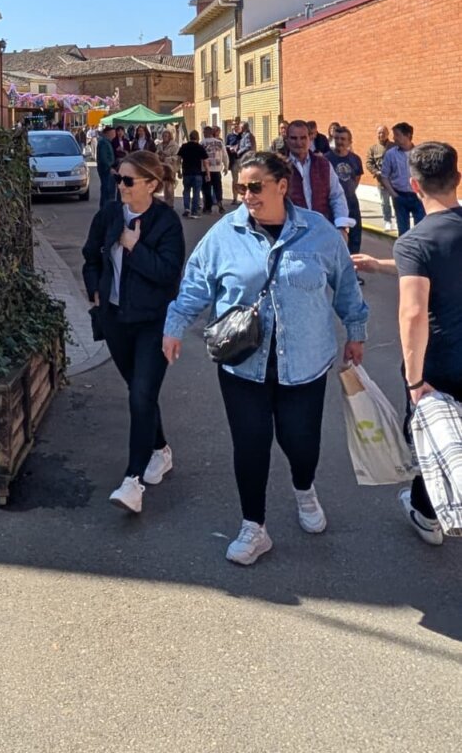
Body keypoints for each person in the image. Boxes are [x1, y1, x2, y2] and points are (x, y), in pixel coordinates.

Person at [163, 152, 368, 564]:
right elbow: (196, 283)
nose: (246, 196)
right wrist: (174, 324)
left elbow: (345, 283)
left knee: (301, 442)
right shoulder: (225, 234)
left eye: (255, 187)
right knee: (251, 444)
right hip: (243, 365)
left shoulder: (318, 232)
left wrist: (355, 331)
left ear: (281, 185)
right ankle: (253, 526)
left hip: (305, 365)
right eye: (240, 188)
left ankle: (304, 489)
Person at [352, 142, 462, 546]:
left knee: (431, 437)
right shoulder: (417, 247)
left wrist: (415, 381)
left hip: (441, 364)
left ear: (414, 185)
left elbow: (414, 313)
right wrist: (382, 265)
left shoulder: (416, 240)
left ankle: (428, 515)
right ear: (457, 179)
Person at [82, 151, 185, 514]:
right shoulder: (109, 214)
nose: (120, 186)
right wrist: (94, 287)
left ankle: (132, 481)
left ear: (152, 185)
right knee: (139, 392)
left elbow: (168, 273)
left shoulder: (166, 222)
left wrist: (133, 247)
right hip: (115, 320)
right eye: (118, 179)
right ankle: (160, 449)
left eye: (128, 181)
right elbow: (91, 254)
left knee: (141, 395)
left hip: (153, 323)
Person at [285, 119, 352, 237]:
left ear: (310, 138)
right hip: (290, 233)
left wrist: (341, 226)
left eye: (303, 138)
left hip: (321, 230)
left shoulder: (323, 164)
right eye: (294, 138)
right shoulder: (279, 166)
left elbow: (337, 196)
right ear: (287, 140)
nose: (299, 142)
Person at [381, 122, 426, 236]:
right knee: (403, 231)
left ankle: (419, 253)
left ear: (408, 135)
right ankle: (405, 253)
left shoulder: (420, 154)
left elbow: (427, 174)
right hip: (400, 195)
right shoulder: (390, 154)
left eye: (397, 135)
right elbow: (384, 176)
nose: (394, 138)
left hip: (418, 197)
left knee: (421, 229)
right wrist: (393, 194)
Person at [325, 127, 364, 255]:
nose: (339, 141)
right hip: (332, 204)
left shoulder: (355, 159)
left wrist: (349, 191)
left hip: (351, 201)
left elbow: (357, 178)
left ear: (349, 141)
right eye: (337, 138)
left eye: (343, 139)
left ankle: (353, 267)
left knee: (355, 236)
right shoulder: (326, 159)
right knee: (334, 236)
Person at [366, 124, 395, 233]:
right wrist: (376, 172)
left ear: (387, 134)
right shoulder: (373, 149)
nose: (381, 135)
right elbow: (369, 163)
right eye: (379, 133)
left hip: (394, 181)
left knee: (397, 201)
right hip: (382, 181)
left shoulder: (394, 147)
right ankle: (387, 221)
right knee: (385, 202)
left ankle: (398, 220)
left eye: (383, 132)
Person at [177, 129, 208, 218]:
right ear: (197, 138)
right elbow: (205, 162)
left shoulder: (184, 146)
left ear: (189, 137)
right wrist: (208, 173)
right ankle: (194, 211)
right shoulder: (200, 147)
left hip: (186, 172)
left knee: (186, 191)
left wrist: (178, 171)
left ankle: (187, 208)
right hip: (197, 173)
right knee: (196, 192)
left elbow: (178, 160)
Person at [202, 126, 229, 215]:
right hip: (217, 168)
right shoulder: (219, 142)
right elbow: (225, 155)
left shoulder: (202, 143)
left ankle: (208, 207)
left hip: (206, 170)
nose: (203, 134)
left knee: (207, 188)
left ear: (207, 133)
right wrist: (226, 166)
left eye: (204, 132)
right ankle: (219, 203)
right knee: (218, 187)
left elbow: (200, 157)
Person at [156, 130, 180, 207]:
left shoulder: (174, 145)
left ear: (170, 136)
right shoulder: (160, 145)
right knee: (164, 186)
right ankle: (166, 202)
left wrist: (166, 157)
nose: (164, 137)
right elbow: (156, 154)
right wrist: (158, 156)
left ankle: (170, 204)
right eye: (163, 136)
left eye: (166, 136)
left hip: (170, 168)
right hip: (162, 167)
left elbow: (176, 157)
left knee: (169, 186)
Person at [96, 126, 118, 207]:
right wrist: (110, 168)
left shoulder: (107, 142)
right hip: (106, 170)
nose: (114, 135)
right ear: (108, 133)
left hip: (107, 169)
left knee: (108, 191)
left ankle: (106, 209)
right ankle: (106, 210)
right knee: (107, 191)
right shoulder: (103, 142)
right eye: (113, 133)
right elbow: (103, 157)